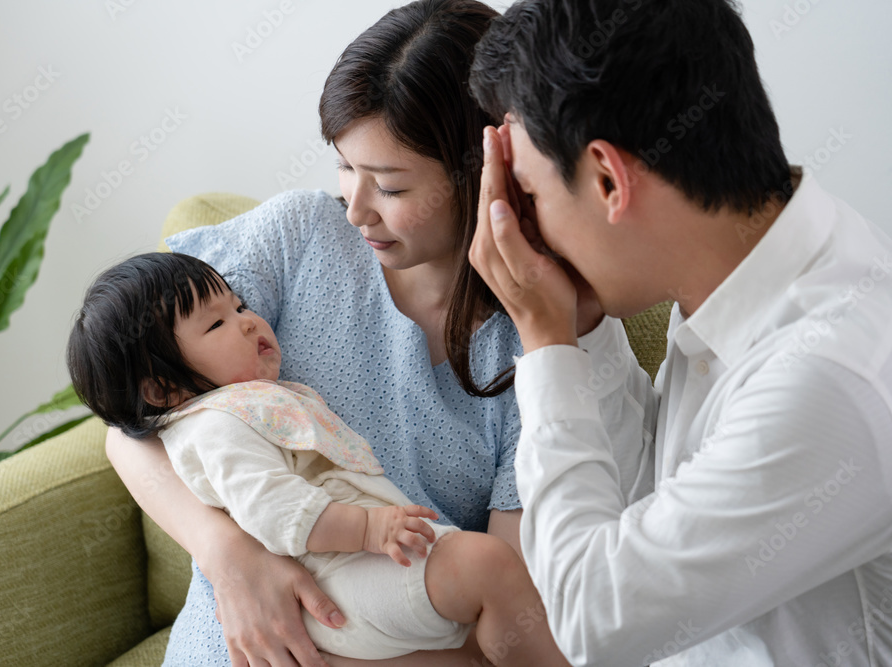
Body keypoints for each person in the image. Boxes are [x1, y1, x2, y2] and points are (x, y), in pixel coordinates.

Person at [103, 1, 650, 665]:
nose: (356, 209)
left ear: (482, 173)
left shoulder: (540, 337)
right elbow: (131, 428)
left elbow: (508, 619)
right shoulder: (294, 238)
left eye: (389, 186)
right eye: (344, 166)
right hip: (231, 638)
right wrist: (229, 555)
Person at [468, 0, 892, 665]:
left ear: (608, 180)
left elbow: (593, 621)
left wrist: (545, 341)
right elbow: (649, 509)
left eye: (532, 196)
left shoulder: (827, 374)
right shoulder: (738, 265)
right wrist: (582, 332)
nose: (531, 232)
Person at [67, 252, 567, 664]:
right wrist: (369, 529)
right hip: (334, 579)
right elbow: (275, 510)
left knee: (480, 616)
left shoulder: (250, 401)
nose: (247, 321)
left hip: (354, 577)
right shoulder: (216, 425)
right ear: (162, 391)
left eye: (239, 305)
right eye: (217, 323)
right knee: (487, 566)